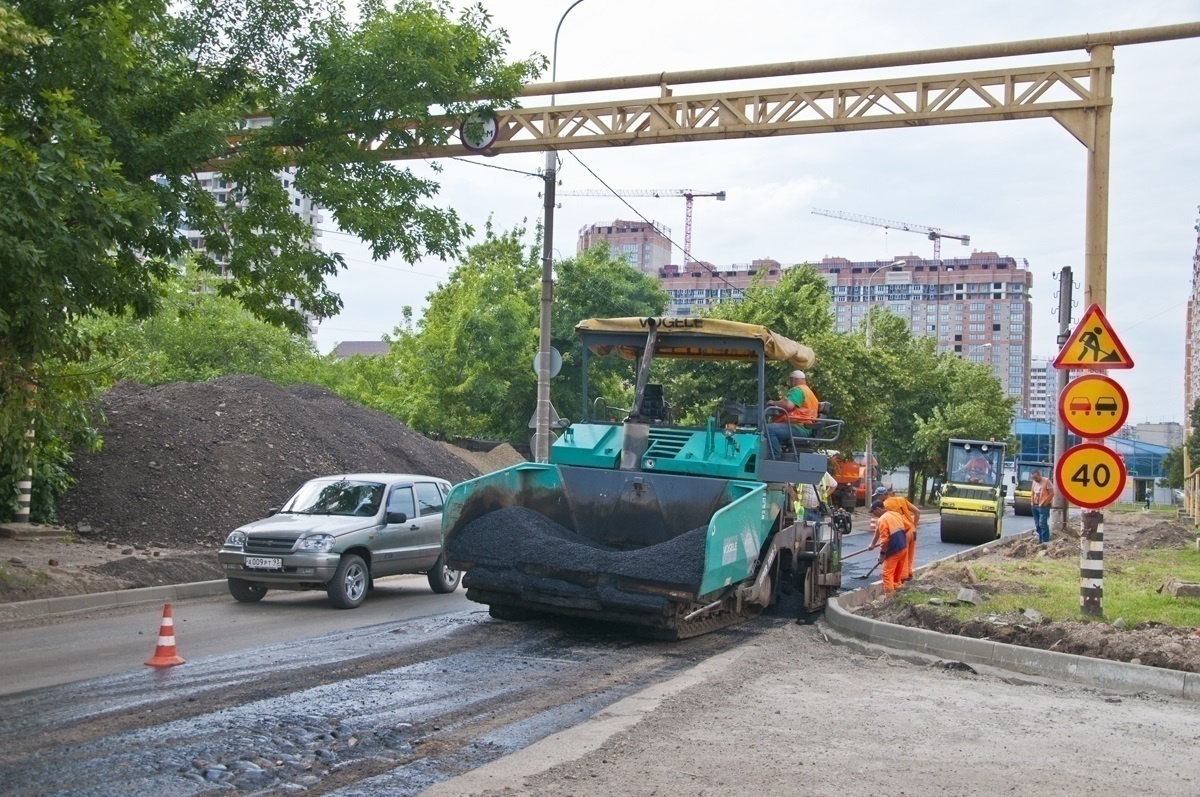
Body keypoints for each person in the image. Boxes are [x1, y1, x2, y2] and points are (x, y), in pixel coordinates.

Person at [765, 370, 818, 457]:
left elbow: (788, 405)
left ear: (793, 380)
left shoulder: (798, 390)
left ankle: (775, 458)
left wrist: (773, 403)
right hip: (805, 427)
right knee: (770, 428)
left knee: (767, 429)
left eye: (790, 380)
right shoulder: (809, 392)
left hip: (798, 427)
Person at [876, 484, 920, 582]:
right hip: (912, 530)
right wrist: (914, 526)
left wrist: (874, 543)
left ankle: (902, 580)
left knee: (902, 555)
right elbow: (917, 512)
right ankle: (909, 574)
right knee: (910, 555)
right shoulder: (901, 499)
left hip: (902, 531)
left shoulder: (885, 505)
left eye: (877, 496)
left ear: (882, 496)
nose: (877, 499)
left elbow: (884, 525)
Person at [867, 500, 907, 593]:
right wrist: (872, 544)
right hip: (903, 548)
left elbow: (884, 541)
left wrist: (882, 555)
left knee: (887, 574)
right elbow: (878, 530)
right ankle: (898, 593)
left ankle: (889, 597)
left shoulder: (882, 519)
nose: (873, 514)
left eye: (873, 512)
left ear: (878, 509)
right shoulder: (895, 514)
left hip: (894, 550)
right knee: (897, 574)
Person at [1030, 469, 1053, 544]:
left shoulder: (1046, 481)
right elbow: (1033, 493)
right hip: (1035, 505)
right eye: (1033, 478)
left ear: (1040, 475)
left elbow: (1051, 493)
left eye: (1036, 478)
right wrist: (1032, 503)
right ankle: (1040, 540)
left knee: (1042, 523)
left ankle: (1045, 540)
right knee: (1037, 524)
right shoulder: (1034, 482)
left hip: (1043, 505)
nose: (1035, 480)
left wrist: (1046, 503)